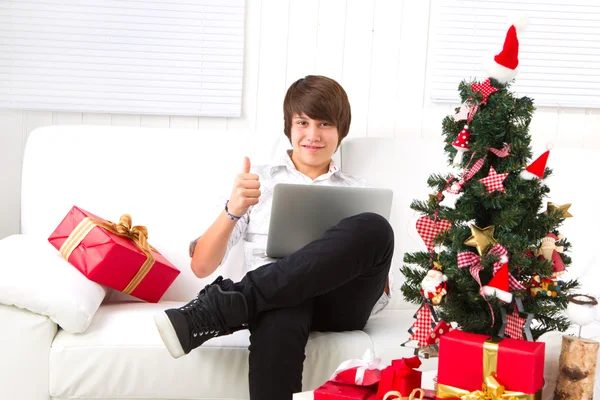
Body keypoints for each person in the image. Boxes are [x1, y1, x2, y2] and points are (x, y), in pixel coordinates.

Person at [154, 75, 394, 400]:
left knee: (375, 227)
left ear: (341, 130)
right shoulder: (258, 183)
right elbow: (201, 265)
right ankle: (248, 301)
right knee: (283, 303)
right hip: (278, 301)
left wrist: (354, 256)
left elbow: (378, 289)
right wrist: (233, 209)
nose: (312, 135)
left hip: (339, 304)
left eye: (324, 123)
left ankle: (222, 308)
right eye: (303, 122)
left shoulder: (360, 190)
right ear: (289, 127)